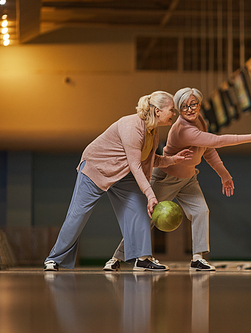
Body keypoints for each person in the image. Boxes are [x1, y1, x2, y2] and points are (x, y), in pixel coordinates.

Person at [104, 87, 251, 272]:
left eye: (193, 104)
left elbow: (208, 150)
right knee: (146, 219)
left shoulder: (200, 121)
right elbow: (216, 141)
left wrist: (224, 174)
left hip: (189, 178)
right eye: (184, 107)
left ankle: (197, 258)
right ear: (178, 109)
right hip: (166, 177)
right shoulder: (182, 129)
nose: (190, 110)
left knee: (201, 211)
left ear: (199, 104)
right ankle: (116, 258)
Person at [44, 91, 193, 272]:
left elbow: (148, 160)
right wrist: (150, 194)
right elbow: (136, 165)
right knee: (78, 215)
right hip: (96, 169)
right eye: (172, 110)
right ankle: (54, 259)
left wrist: (173, 160)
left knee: (139, 209)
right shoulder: (132, 126)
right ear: (157, 111)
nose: (174, 114)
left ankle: (142, 259)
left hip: (122, 173)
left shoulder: (152, 131)